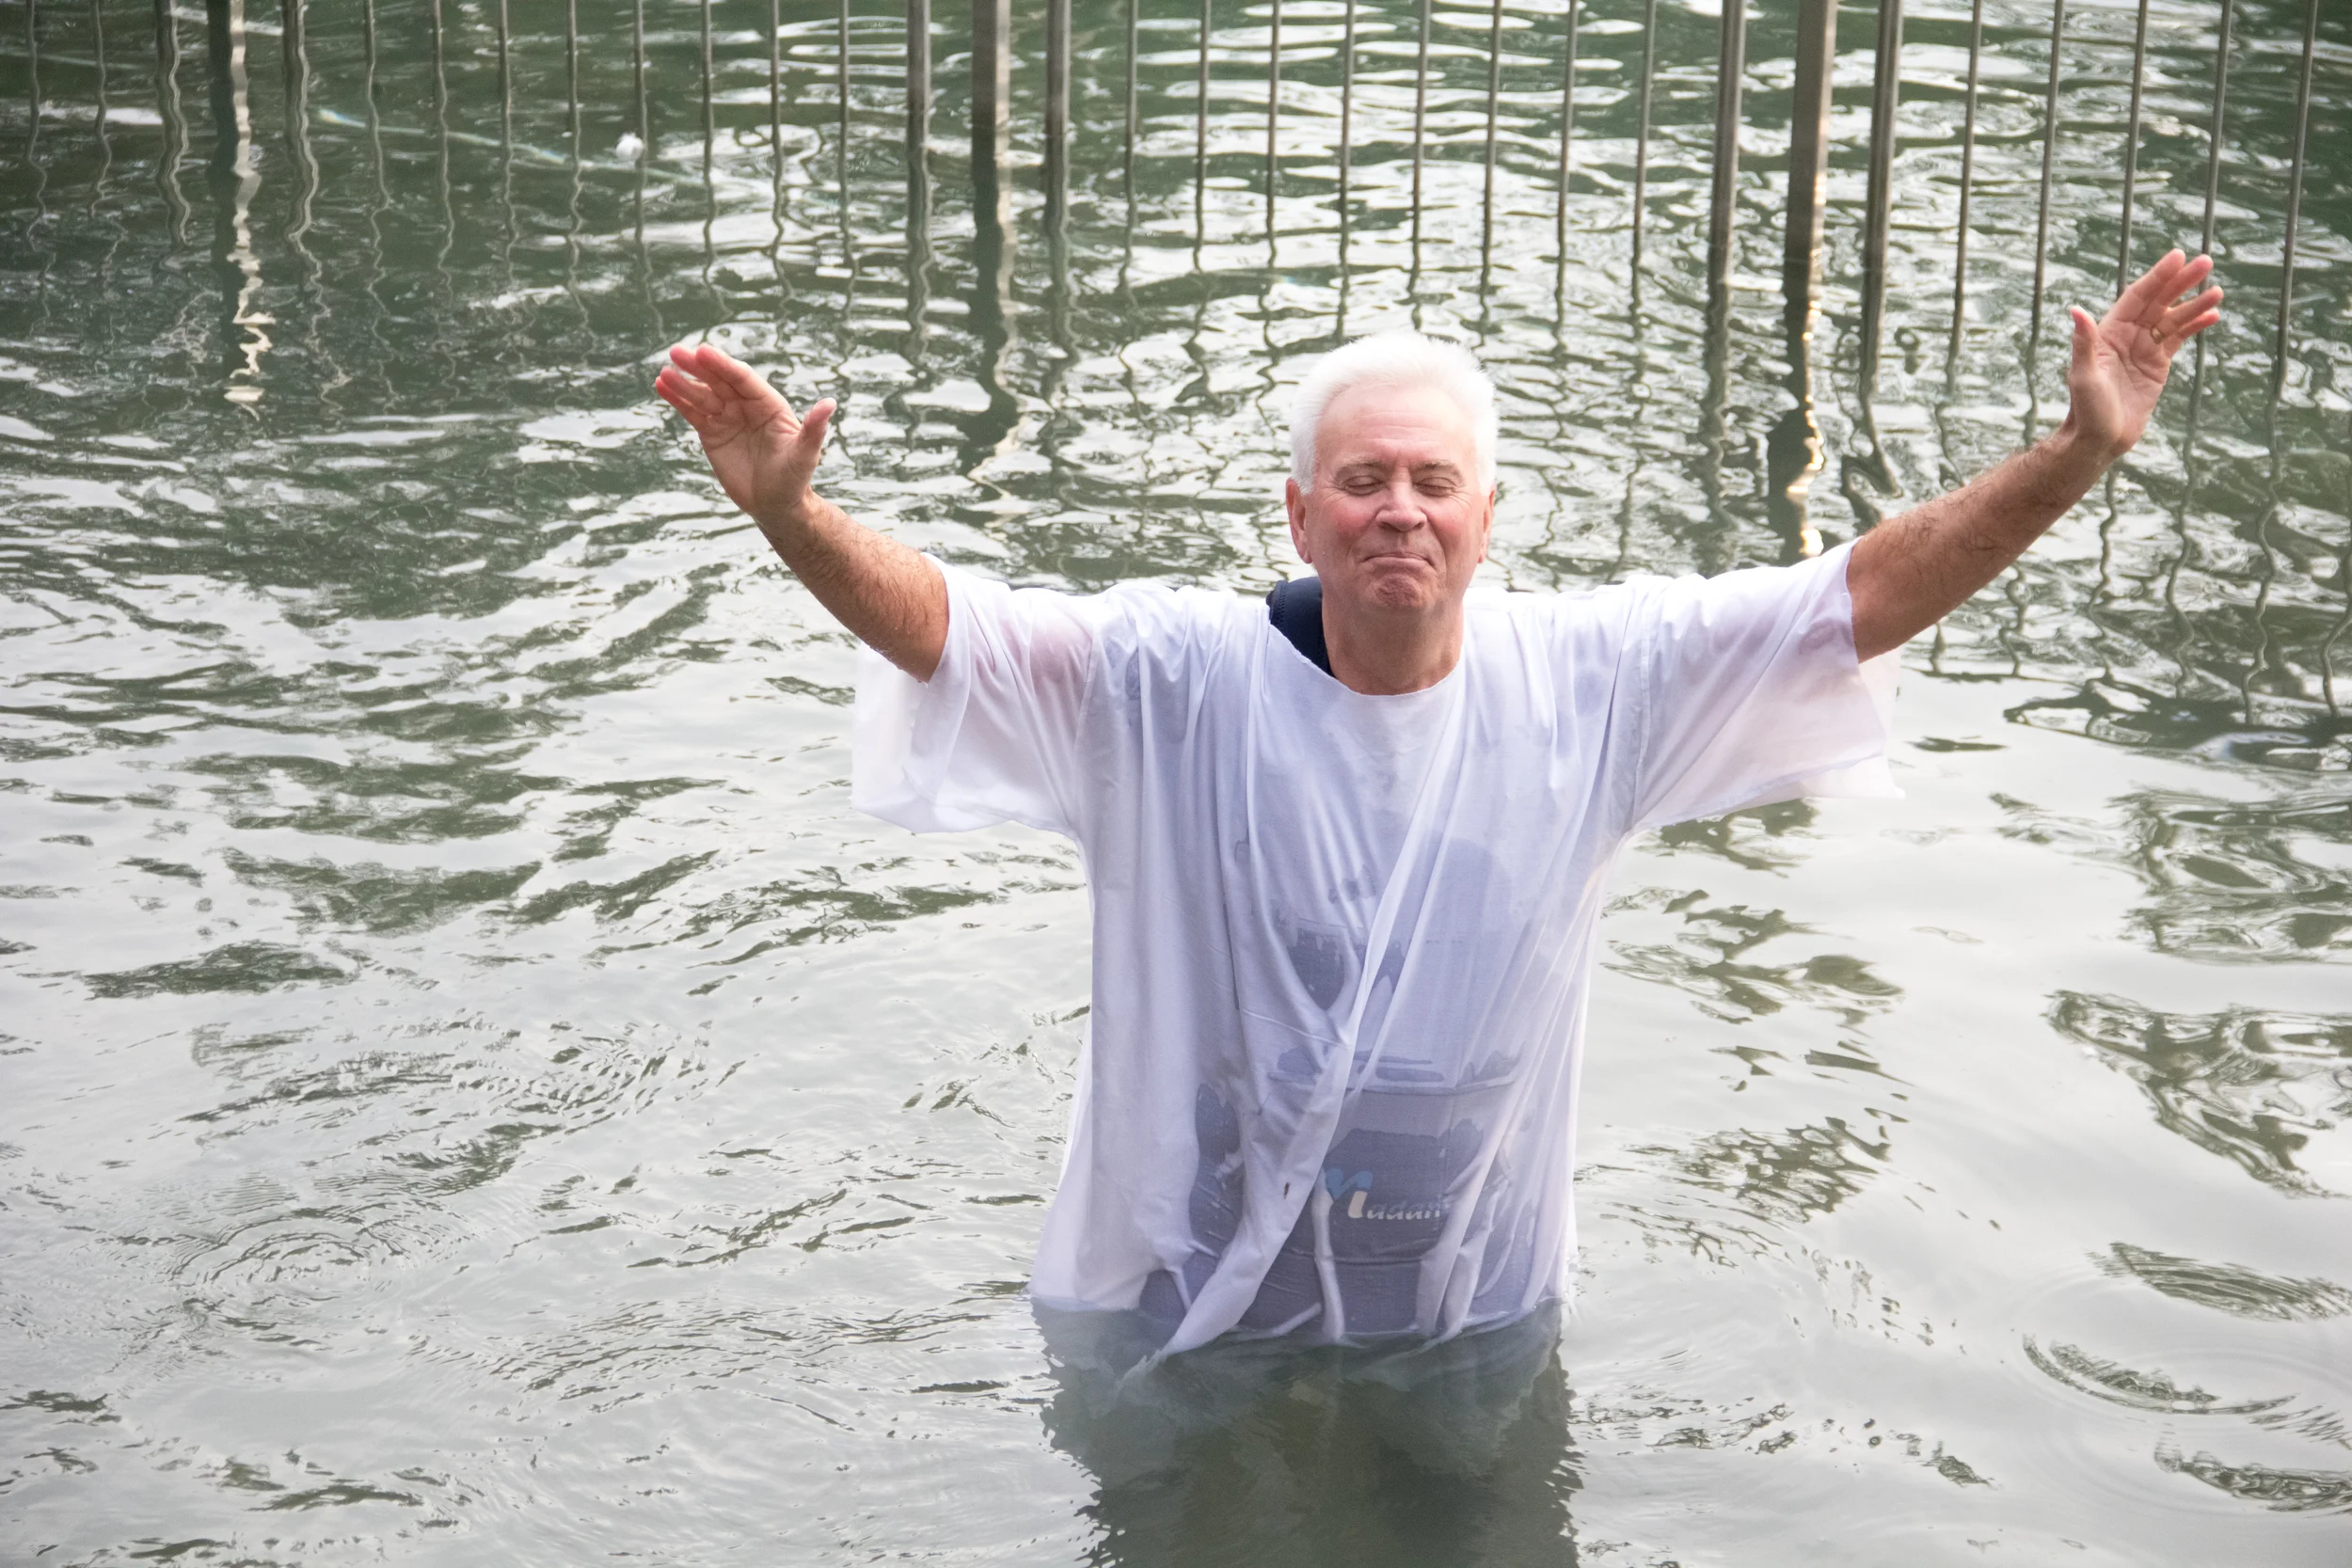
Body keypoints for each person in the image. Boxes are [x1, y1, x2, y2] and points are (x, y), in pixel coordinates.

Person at [654, 253, 2221, 1360]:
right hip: (1186, 1302)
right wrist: (796, 516)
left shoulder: (1593, 682)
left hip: (1464, 1310)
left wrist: (2079, 452)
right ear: (1298, 510)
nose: (1396, 508)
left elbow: (1854, 599)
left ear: (1486, 518)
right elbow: (950, 622)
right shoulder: (1172, 684)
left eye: (1430, 481)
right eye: (1360, 479)